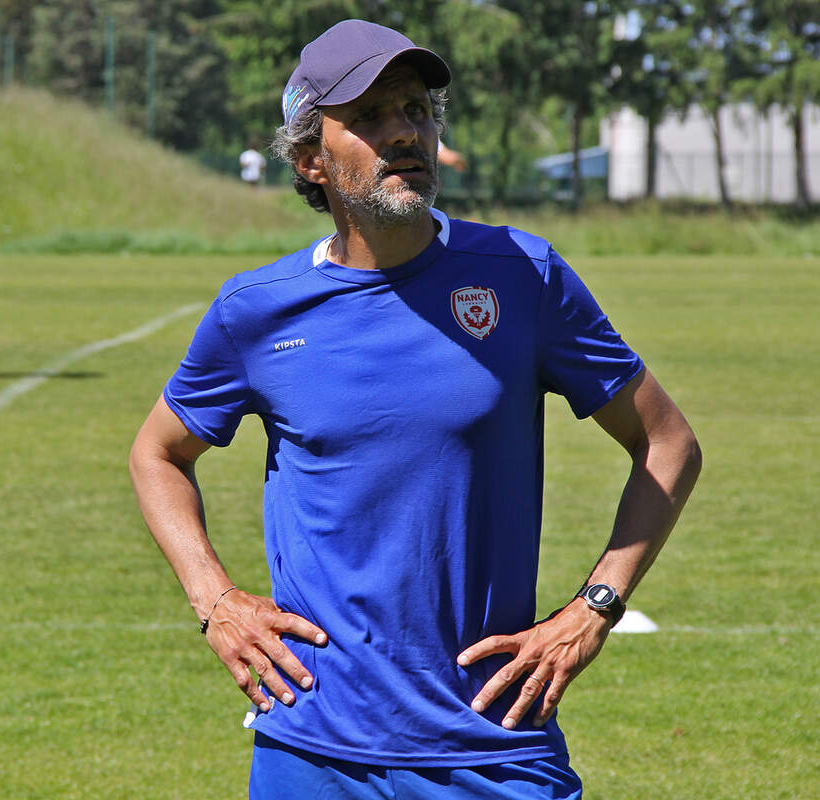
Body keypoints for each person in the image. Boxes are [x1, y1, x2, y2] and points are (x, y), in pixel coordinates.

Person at [129, 19, 701, 799]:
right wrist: (216, 601)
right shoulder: (255, 313)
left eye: (416, 109)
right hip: (313, 744)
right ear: (310, 159)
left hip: (492, 743)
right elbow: (157, 453)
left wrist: (594, 608)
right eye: (367, 117)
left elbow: (667, 443)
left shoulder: (521, 275)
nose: (404, 131)